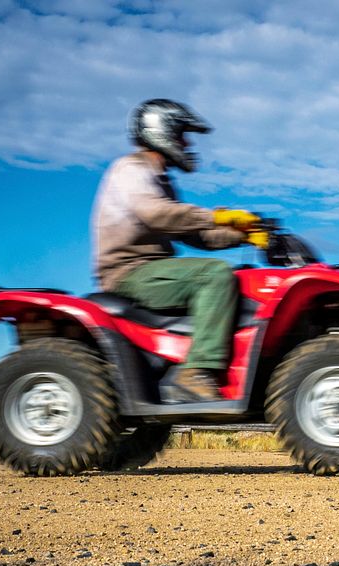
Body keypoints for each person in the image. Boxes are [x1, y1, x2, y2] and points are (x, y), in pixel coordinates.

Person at [90, 99, 267, 402]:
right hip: (129, 272)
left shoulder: (161, 182)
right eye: (182, 134)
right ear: (161, 132)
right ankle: (196, 373)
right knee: (214, 275)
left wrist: (244, 236)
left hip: (152, 271)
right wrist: (218, 216)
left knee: (240, 278)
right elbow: (157, 213)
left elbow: (197, 235)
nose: (186, 143)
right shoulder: (130, 169)